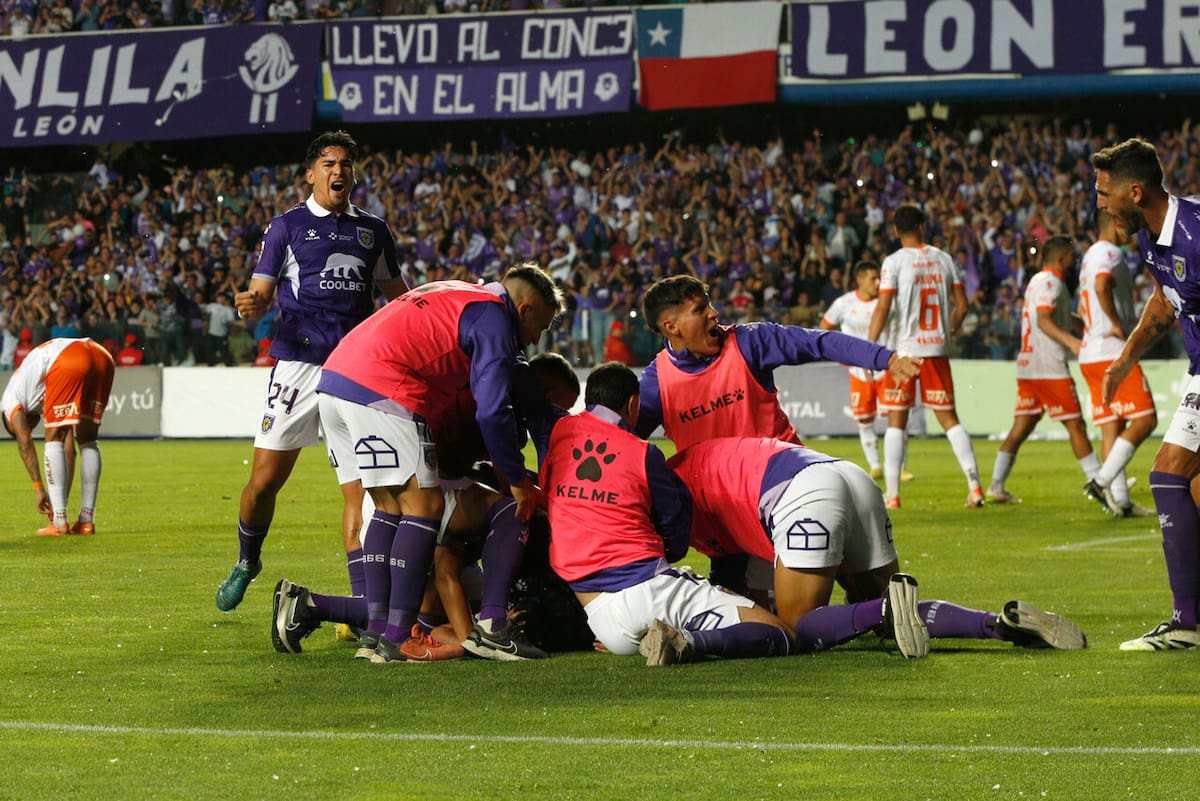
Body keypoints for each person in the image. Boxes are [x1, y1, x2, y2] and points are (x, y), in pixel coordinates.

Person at [315, 264, 561, 663]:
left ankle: (376, 636)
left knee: (389, 506)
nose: (535, 339)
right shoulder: (495, 318)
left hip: (335, 379)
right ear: (525, 309)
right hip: (384, 386)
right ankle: (400, 637)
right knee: (424, 508)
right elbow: (492, 411)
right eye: (541, 327)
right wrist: (517, 480)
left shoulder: (459, 292)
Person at [272, 353, 584, 662]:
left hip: (394, 497)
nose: (559, 416)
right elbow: (453, 551)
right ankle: (320, 608)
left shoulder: (484, 400)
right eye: (561, 406)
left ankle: (330, 611)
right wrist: (472, 640)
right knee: (508, 516)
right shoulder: (496, 411)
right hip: (414, 503)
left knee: (447, 605)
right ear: (546, 393)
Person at [216, 130, 407, 613]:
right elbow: (261, 292)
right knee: (264, 482)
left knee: (362, 491)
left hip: (355, 370)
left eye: (346, 164)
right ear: (310, 174)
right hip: (299, 366)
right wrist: (252, 304)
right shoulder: (287, 227)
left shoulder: (373, 231)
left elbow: (398, 299)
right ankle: (247, 560)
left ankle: (364, 603)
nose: (338, 171)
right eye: (328, 163)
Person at [668, 436, 1087, 656]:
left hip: (797, 493)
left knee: (797, 626)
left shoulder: (666, 497)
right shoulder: (691, 475)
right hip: (846, 475)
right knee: (879, 611)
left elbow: (748, 602)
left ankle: (887, 609)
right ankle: (996, 624)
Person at [637, 273, 920, 592]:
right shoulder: (656, 383)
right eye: (700, 309)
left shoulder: (749, 342)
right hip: (726, 514)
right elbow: (625, 445)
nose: (714, 314)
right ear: (671, 327)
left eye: (710, 305)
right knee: (749, 614)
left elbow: (818, 342)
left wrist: (886, 358)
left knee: (865, 589)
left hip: (786, 490)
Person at [538, 362, 795, 665]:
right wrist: (670, 552)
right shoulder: (643, 453)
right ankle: (688, 641)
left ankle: (662, 635)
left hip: (600, 619)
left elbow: (549, 492)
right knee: (781, 633)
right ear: (633, 404)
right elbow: (674, 524)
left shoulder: (559, 433)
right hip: (650, 590)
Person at [1092, 138, 1200, 650]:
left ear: (1134, 192)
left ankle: (1186, 624)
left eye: (1104, 193)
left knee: (1167, 474)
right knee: (1192, 491)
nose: (1100, 203)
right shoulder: (1151, 238)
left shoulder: (1196, 234)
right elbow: (1163, 301)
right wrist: (1125, 359)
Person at [868, 204, 984, 509]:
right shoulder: (944, 259)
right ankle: (975, 487)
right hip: (936, 350)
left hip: (904, 352)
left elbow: (883, 308)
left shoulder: (894, 262)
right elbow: (962, 306)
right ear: (922, 226)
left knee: (897, 421)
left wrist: (869, 347)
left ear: (895, 230)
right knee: (949, 419)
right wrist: (949, 330)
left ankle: (893, 495)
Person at [985, 236, 1100, 503]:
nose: (1075, 260)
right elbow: (1044, 320)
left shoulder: (1037, 281)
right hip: (1049, 367)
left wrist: (1085, 327)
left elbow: (1054, 315)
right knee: (1076, 425)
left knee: (1021, 428)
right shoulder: (1052, 282)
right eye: (1071, 256)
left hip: (1028, 367)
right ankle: (1099, 483)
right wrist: (1072, 342)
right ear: (1061, 259)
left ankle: (996, 486)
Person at [1078, 211, 1157, 518]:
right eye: (1124, 220)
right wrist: (1114, 323)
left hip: (1090, 353)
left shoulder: (1089, 256)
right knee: (1145, 420)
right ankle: (1100, 483)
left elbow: (1087, 298)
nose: (1129, 228)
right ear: (1113, 221)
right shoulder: (1109, 252)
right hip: (1110, 351)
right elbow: (1101, 286)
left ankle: (1121, 502)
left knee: (1113, 425)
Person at [2, 338, 115, 537]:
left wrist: (39, 489)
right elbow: (69, 453)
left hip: (68, 358)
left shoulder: (9, 402)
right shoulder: (39, 392)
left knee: (53, 438)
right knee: (88, 439)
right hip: (101, 356)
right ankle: (86, 520)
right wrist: (59, 502)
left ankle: (59, 523)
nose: (29, 428)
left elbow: (24, 441)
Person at [819, 260, 912, 482]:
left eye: (879, 278)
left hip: (887, 368)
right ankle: (876, 466)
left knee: (896, 418)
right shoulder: (844, 303)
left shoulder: (887, 302)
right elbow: (824, 329)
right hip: (859, 372)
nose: (878, 282)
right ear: (859, 279)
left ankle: (900, 467)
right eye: (873, 278)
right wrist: (841, 356)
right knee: (864, 420)